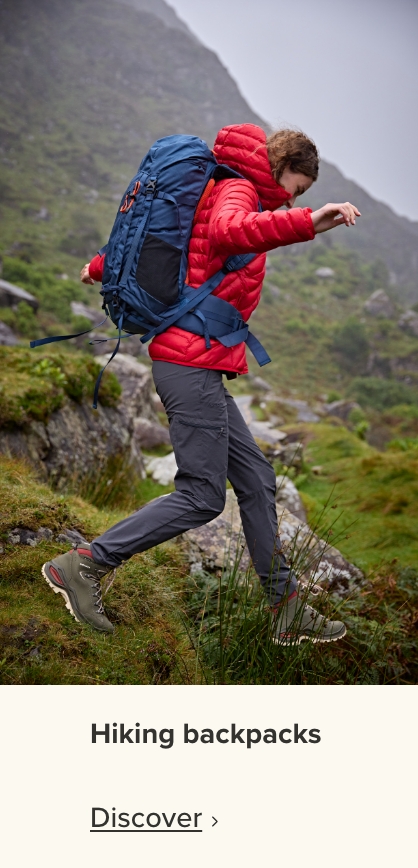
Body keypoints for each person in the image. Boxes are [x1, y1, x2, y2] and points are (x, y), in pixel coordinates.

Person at [42, 123, 360, 644]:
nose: (291, 200)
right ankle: (85, 564)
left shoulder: (224, 185)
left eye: (300, 197)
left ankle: (286, 609)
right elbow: (228, 232)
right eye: (296, 188)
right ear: (281, 168)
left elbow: (182, 246)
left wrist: (101, 267)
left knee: (256, 480)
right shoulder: (238, 189)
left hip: (199, 364)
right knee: (202, 496)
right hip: (188, 366)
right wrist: (309, 221)